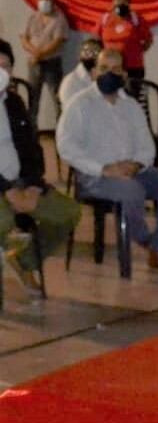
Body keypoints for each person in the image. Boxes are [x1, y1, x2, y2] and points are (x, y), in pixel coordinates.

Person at [56, 49, 158, 273]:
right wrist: (104, 169)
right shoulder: (80, 104)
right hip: (95, 175)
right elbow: (66, 147)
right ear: (95, 71)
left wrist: (136, 164)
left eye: (116, 69)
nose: (109, 73)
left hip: (132, 170)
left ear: (124, 74)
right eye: (104, 68)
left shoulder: (131, 106)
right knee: (132, 191)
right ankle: (149, 242)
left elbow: (146, 145)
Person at [0, 39, 80, 295]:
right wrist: (7, 190)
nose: (2, 72)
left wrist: (33, 184)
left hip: (22, 183)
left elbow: (32, 149)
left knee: (67, 213)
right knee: (3, 220)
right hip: (2, 188)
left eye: (6, 66)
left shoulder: (14, 102)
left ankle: (25, 261)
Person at [19, 0, 69, 131]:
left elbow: (58, 41)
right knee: (32, 99)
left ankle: (61, 134)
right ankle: (32, 135)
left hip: (51, 63)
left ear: (53, 1)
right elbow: (24, 39)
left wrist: (38, 55)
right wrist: (34, 53)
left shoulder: (59, 18)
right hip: (34, 64)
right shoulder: (32, 17)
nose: (44, 2)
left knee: (58, 99)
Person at [92, 0, 152, 97]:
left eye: (124, 0)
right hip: (111, 69)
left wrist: (138, 51)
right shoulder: (105, 19)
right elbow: (96, 40)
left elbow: (148, 39)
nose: (121, 3)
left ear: (129, 3)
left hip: (133, 68)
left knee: (132, 99)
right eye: (118, 0)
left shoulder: (136, 19)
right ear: (113, 2)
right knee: (111, 97)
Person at [58, 38, 102, 108]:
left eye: (95, 52)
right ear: (79, 55)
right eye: (87, 52)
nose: (91, 55)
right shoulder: (71, 81)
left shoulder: (104, 77)